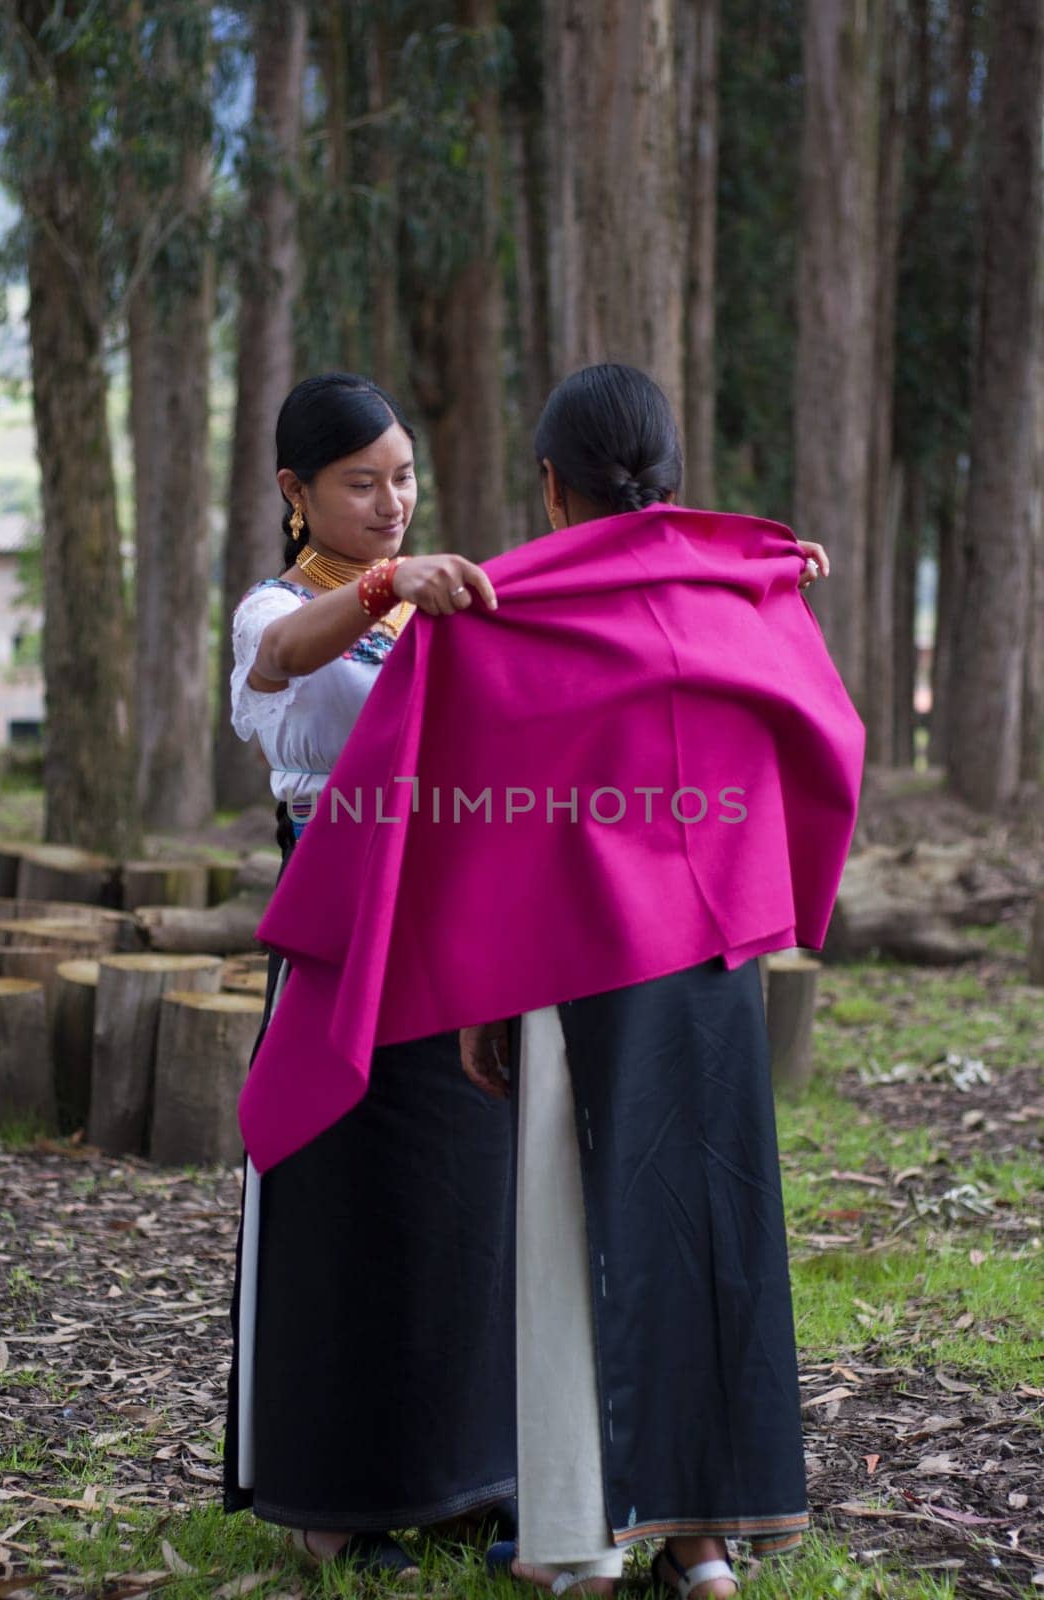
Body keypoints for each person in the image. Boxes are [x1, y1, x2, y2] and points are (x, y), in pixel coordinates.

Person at [453, 364, 843, 1599]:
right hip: (720, 960)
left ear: (551, 485)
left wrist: (476, 995)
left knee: (579, 1227)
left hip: (577, 960)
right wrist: (771, 578)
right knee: (715, 1225)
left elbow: (485, 821)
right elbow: (827, 742)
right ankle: (707, 1543)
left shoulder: (518, 610)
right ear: (672, 473)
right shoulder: (740, 600)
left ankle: (576, 1538)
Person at [222, 373, 517, 1580]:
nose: (391, 503)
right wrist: (393, 588)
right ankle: (331, 1505)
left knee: (458, 1210)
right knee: (343, 1217)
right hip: (340, 948)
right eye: (361, 483)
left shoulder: (446, 596)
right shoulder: (274, 612)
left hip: (449, 945)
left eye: (403, 476)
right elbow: (288, 661)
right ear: (295, 492)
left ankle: (457, 1477)